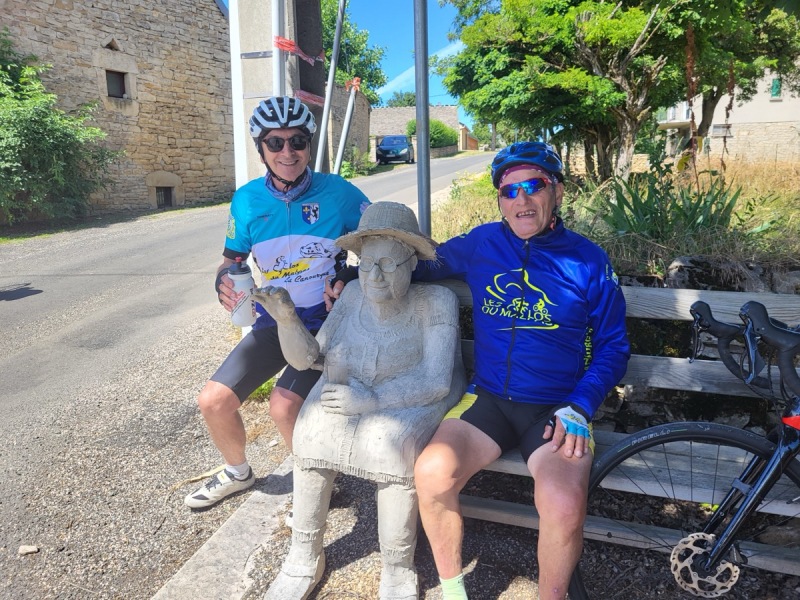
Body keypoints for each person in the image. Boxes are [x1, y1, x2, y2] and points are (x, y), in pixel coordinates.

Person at [411, 142, 631, 600]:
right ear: (499, 200)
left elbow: (613, 345)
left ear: (558, 192)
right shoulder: (482, 244)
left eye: (534, 186)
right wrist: (350, 278)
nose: (521, 199)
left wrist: (580, 405)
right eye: (509, 191)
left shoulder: (588, 260)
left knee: (564, 503)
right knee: (431, 474)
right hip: (488, 399)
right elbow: (419, 268)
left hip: (556, 408)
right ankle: (453, 593)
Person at [253, 202, 466, 600]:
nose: (374, 276)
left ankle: (397, 566)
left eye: (387, 263)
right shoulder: (351, 295)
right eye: (366, 264)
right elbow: (310, 358)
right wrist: (287, 320)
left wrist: (372, 400)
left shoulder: (435, 302)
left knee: (390, 446)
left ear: (412, 264)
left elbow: (436, 380)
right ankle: (303, 554)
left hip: (414, 393)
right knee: (310, 432)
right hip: (354, 389)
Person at [184, 96, 370, 509]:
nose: (288, 152)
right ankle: (238, 473)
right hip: (276, 320)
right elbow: (232, 261)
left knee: (283, 407)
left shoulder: (338, 193)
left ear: (309, 144)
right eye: (275, 143)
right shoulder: (247, 200)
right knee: (213, 402)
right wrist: (222, 282)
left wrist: (349, 274)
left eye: (297, 141)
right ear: (261, 149)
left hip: (325, 323)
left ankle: (317, 485)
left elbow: (382, 244)